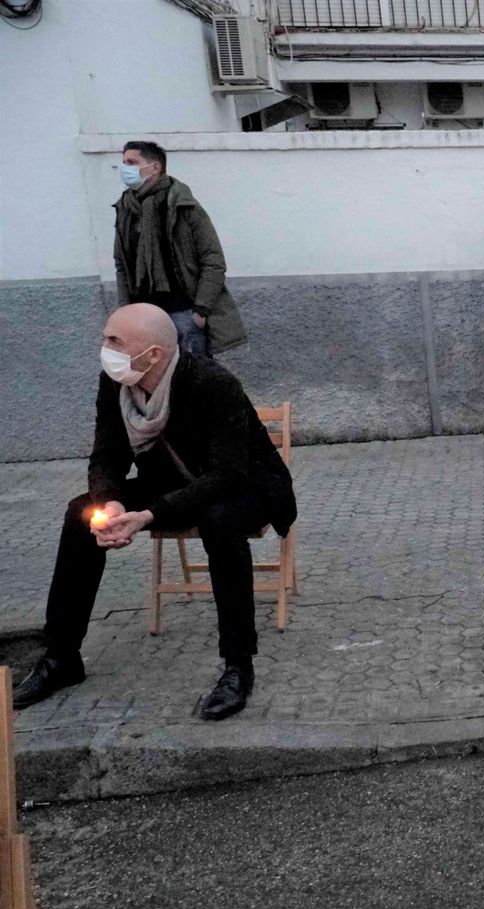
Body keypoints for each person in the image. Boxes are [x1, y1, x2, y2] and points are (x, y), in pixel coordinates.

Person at [13, 304, 296, 719]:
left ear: (153, 355)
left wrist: (148, 514)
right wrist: (109, 502)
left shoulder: (213, 383)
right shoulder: (116, 384)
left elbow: (227, 475)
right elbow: (106, 455)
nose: (104, 347)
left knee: (219, 520)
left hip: (244, 486)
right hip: (172, 483)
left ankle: (238, 665)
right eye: (105, 337)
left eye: (114, 341)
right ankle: (61, 656)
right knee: (81, 513)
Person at [112, 140, 246, 360]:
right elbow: (122, 264)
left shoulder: (183, 205)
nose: (125, 168)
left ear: (155, 167)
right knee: (154, 379)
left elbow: (213, 260)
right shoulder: (126, 208)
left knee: (194, 381)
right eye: (124, 162)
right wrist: (126, 310)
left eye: (132, 162)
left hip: (183, 312)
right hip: (145, 317)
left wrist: (200, 311)